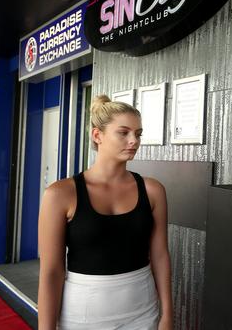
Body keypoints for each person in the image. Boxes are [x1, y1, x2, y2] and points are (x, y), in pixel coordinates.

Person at [38, 95, 173, 329]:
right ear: (97, 135)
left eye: (138, 134)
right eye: (124, 132)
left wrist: (167, 315)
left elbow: (160, 255)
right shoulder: (60, 194)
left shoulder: (153, 190)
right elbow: (51, 271)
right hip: (83, 312)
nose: (134, 141)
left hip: (143, 309)